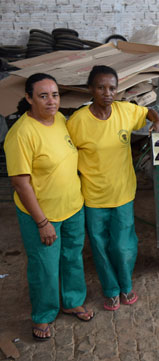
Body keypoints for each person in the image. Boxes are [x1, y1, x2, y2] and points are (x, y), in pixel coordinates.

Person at [4, 73, 94, 342]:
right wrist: (42, 223)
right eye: (43, 95)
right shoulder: (21, 134)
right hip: (42, 215)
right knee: (44, 266)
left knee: (72, 257)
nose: (51, 101)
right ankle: (43, 313)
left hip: (72, 207)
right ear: (29, 98)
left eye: (54, 95)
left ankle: (71, 300)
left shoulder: (61, 121)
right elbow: (21, 183)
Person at [67, 65, 159, 310]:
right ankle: (111, 290)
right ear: (91, 89)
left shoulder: (124, 111)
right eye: (101, 87)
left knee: (123, 246)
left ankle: (126, 285)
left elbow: (149, 112)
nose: (107, 93)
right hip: (93, 197)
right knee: (100, 247)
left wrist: (157, 122)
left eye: (112, 88)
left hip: (122, 194)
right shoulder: (78, 121)